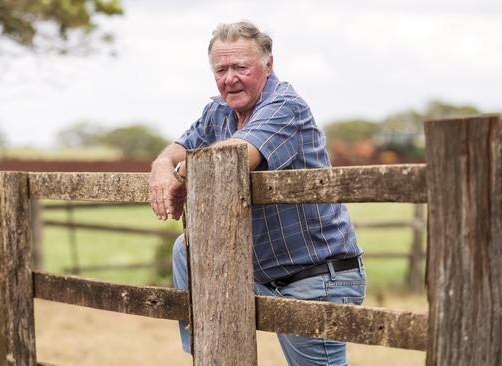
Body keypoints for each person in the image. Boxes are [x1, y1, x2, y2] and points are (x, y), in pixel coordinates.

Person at [149, 21, 366, 366]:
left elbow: (233, 156)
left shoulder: (285, 106)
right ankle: (207, 349)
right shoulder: (219, 111)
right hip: (260, 274)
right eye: (221, 69)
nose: (230, 78)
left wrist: (180, 172)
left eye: (240, 67)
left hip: (313, 276)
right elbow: (175, 150)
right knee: (186, 248)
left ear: (268, 65)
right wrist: (161, 168)